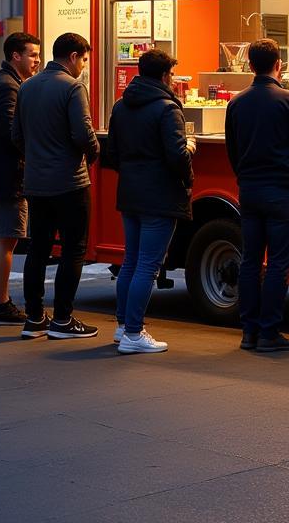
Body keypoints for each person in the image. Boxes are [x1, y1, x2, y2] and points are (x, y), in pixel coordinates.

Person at [226, 38, 289, 352]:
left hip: (249, 190)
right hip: (282, 190)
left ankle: (248, 332)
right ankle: (269, 332)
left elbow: (232, 150)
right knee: (278, 264)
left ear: (250, 65)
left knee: (250, 261)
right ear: (279, 64)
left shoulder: (236, 103)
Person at [106, 49, 196, 355]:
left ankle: (122, 326)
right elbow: (176, 156)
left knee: (130, 260)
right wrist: (189, 150)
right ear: (164, 75)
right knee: (147, 265)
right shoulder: (167, 108)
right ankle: (134, 332)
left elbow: (112, 153)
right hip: (159, 194)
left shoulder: (121, 105)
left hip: (130, 192)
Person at [12, 33, 100, 340]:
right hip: (70, 182)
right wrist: (93, 154)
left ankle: (35, 317)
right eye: (85, 59)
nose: (84, 67)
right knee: (74, 249)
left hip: (36, 183)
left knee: (38, 249)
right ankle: (63, 318)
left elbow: (17, 136)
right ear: (73, 56)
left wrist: (36, 158)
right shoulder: (73, 87)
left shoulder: (27, 86)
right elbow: (83, 133)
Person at [0, 32, 41, 325]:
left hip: (6, 173)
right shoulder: (8, 86)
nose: (37, 60)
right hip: (8, 175)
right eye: (32, 54)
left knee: (7, 238)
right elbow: (11, 132)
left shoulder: (10, 82)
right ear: (15, 56)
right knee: (5, 238)